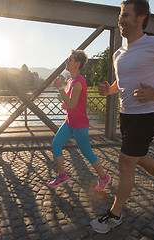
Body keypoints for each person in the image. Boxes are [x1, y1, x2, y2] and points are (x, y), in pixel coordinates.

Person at [90, 0, 154, 234]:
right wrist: (109, 90)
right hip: (127, 116)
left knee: (126, 162)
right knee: (140, 157)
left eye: (126, 15)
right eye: (120, 16)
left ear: (141, 18)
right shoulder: (119, 53)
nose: (120, 20)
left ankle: (114, 216)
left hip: (148, 116)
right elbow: (124, 82)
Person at [49, 50, 111, 192]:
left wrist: (59, 88)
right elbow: (70, 103)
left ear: (77, 64)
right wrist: (65, 102)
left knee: (87, 152)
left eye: (69, 60)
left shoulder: (78, 83)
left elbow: (72, 104)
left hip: (80, 125)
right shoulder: (70, 80)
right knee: (56, 145)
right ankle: (62, 176)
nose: (66, 62)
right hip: (70, 122)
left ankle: (104, 177)